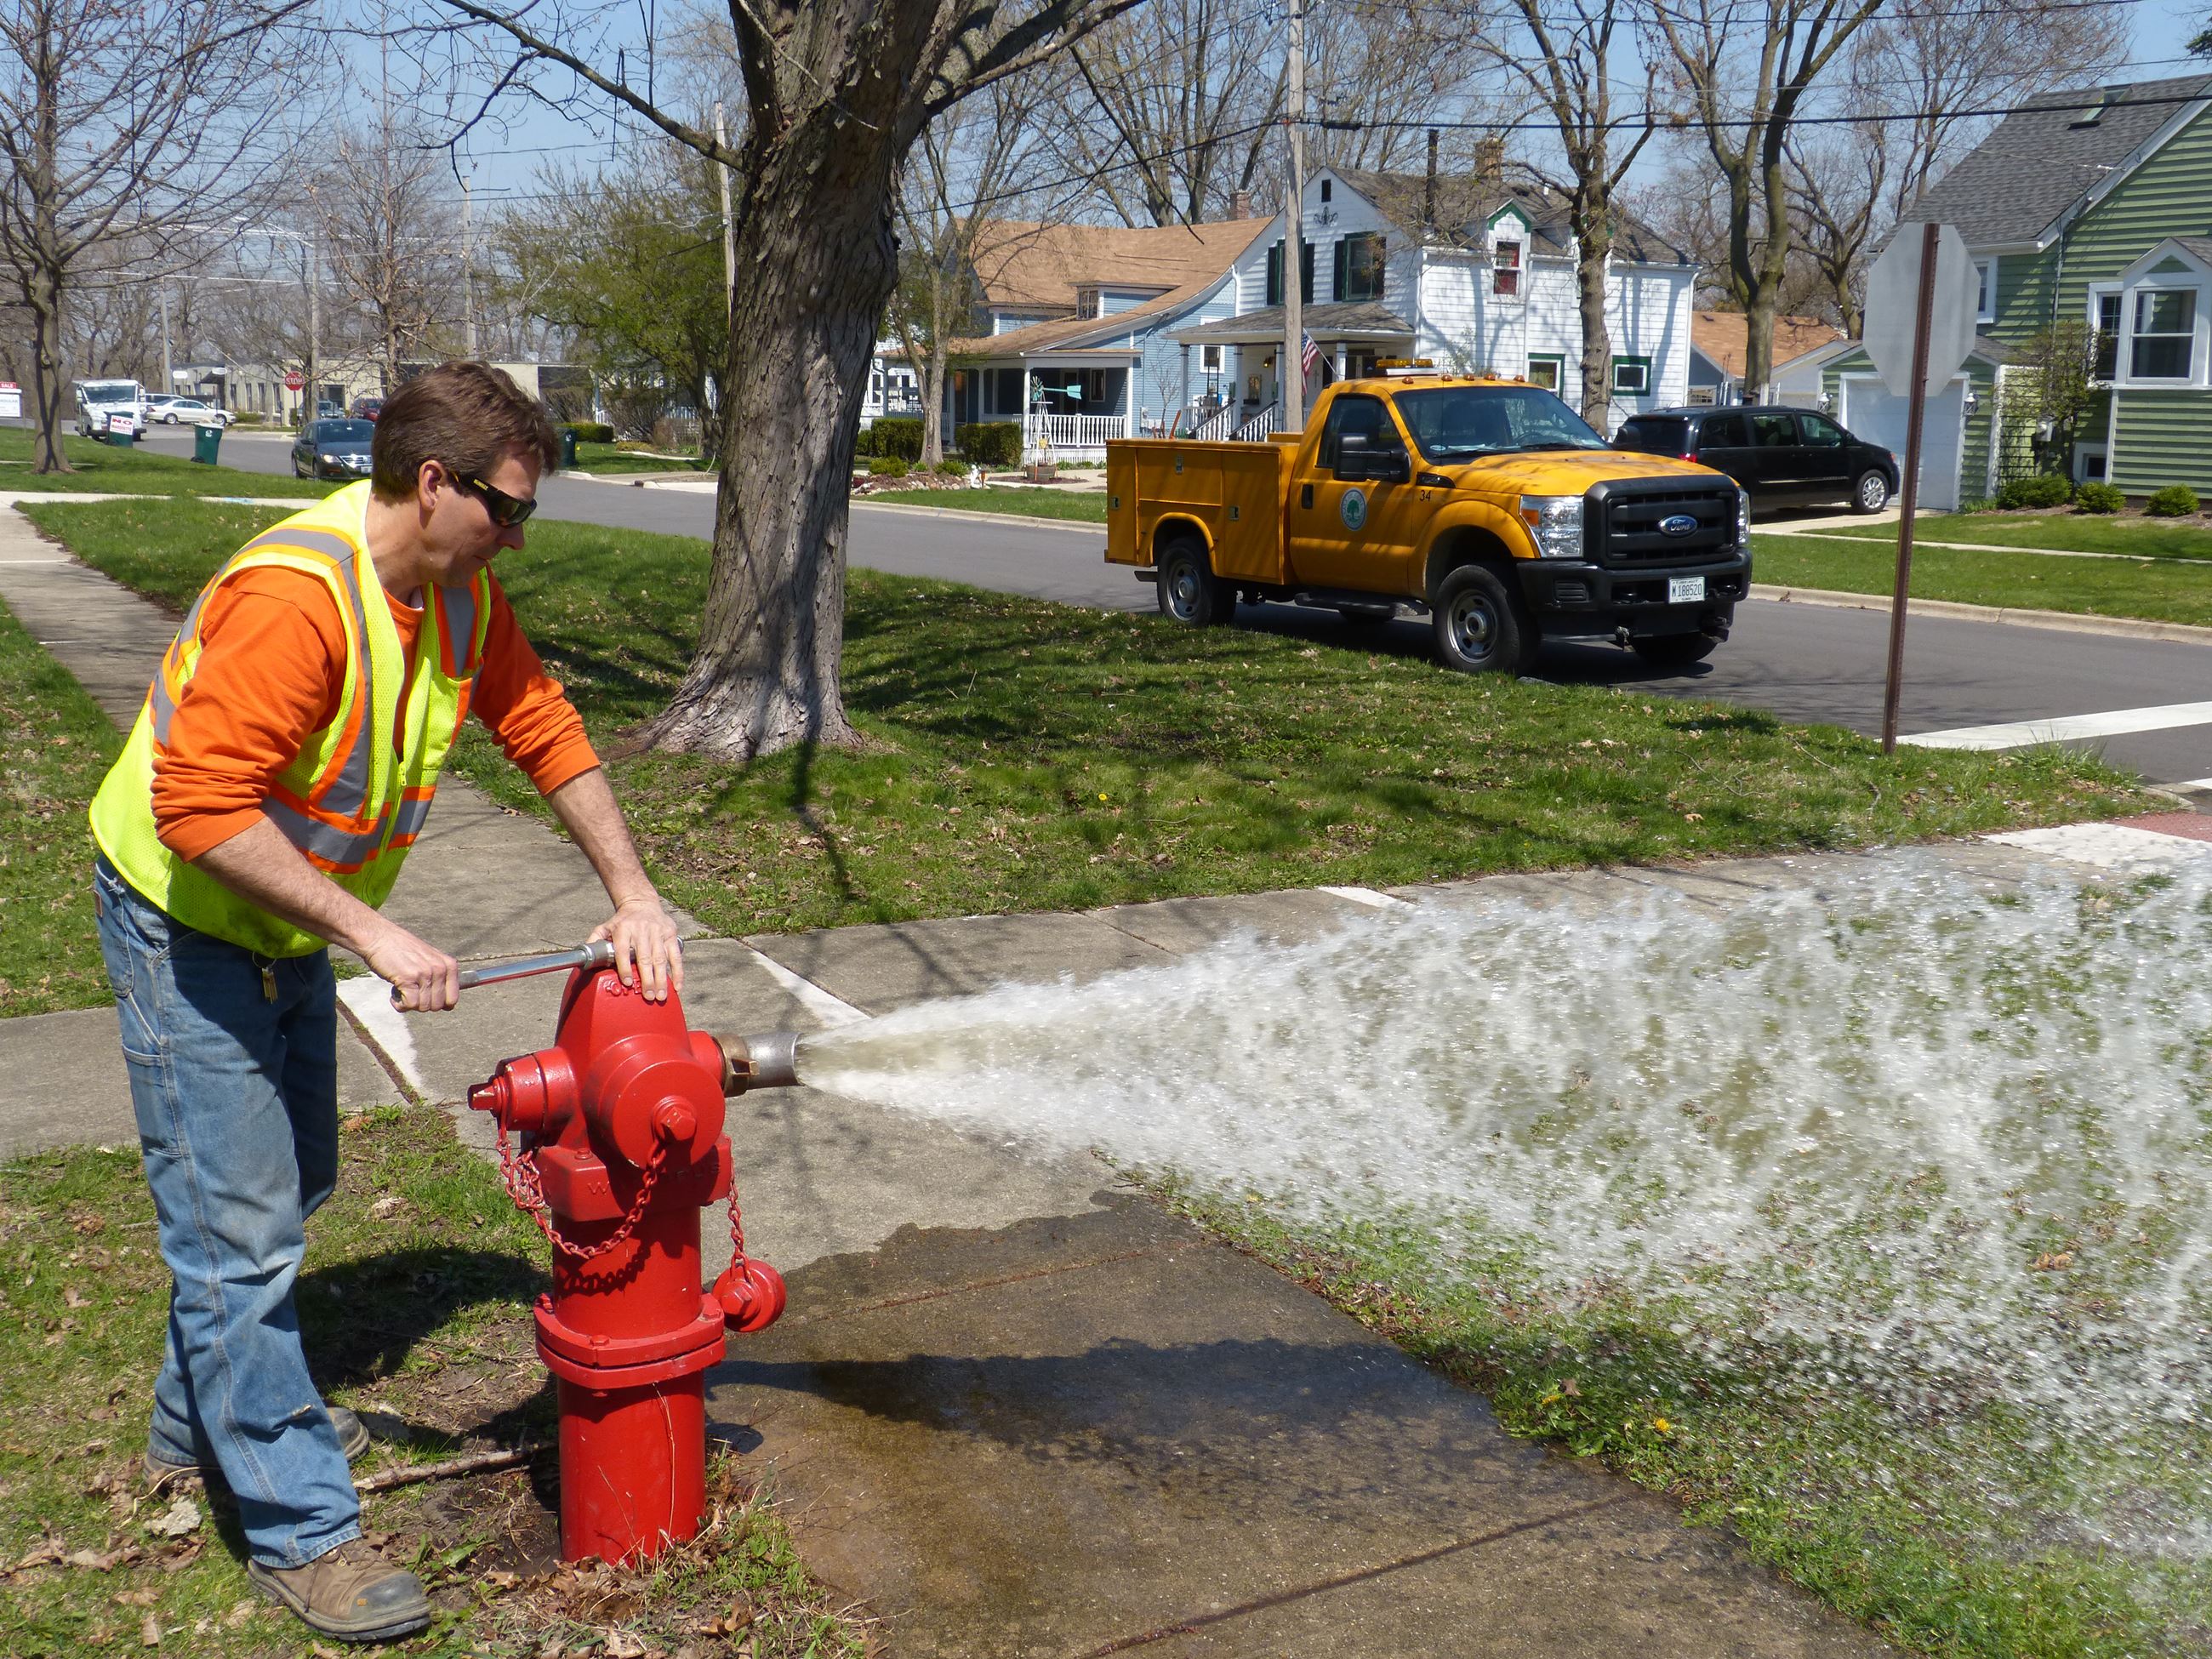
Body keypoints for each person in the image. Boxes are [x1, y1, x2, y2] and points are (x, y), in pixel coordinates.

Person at [88, 362, 683, 1644]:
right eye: (507, 510)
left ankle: (192, 1430)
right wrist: (373, 929)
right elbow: (196, 808)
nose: (517, 537)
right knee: (237, 1232)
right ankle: (303, 1533)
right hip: (184, 919)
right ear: (432, 483)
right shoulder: (299, 602)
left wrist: (632, 891)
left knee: (285, 1183)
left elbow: (546, 726)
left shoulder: (458, 599)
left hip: (278, 922)